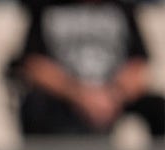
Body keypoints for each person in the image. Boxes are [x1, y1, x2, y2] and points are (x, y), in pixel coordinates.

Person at [12, 0, 165, 140]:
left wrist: (113, 95)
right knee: (35, 105)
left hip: (113, 95)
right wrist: (80, 95)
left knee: (157, 107)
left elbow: (138, 65)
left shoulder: (123, 8)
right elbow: (34, 65)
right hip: (65, 95)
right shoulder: (46, 8)